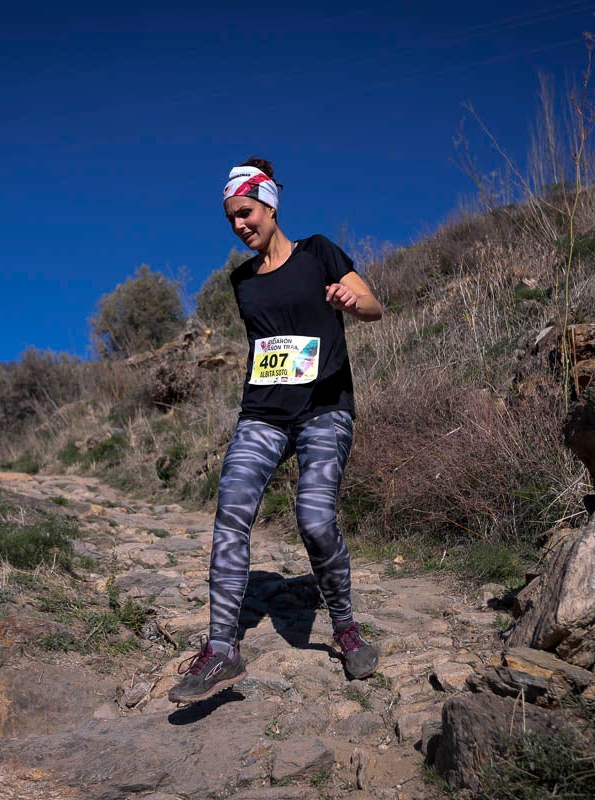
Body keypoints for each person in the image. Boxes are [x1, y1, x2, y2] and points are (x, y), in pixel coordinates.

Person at [168, 157, 384, 704]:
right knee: (231, 510)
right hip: (263, 411)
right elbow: (270, 346)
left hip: (325, 406)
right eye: (231, 219)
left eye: (245, 212)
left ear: (269, 205)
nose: (240, 225)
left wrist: (349, 301)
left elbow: (374, 307)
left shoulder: (318, 253)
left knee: (313, 520)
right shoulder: (241, 283)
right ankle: (221, 649)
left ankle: (345, 626)